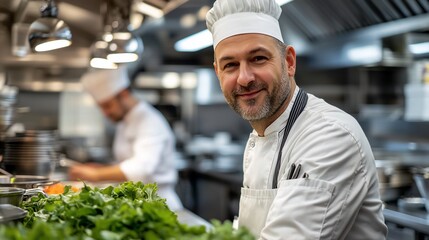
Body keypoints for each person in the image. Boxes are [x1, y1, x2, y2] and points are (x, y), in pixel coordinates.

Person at [205, 0, 388, 239]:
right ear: (218, 73)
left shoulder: (330, 135)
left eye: (258, 58)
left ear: (289, 62)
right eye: (230, 65)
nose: (244, 78)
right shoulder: (259, 137)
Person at [68, 66, 183, 211]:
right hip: (137, 204)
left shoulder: (150, 121)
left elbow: (142, 169)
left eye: (108, 105)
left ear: (123, 94)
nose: (105, 113)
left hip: (159, 204)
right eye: (101, 107)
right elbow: (126, 163)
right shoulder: (125, 121)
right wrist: (103, 169)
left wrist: (96, 174)